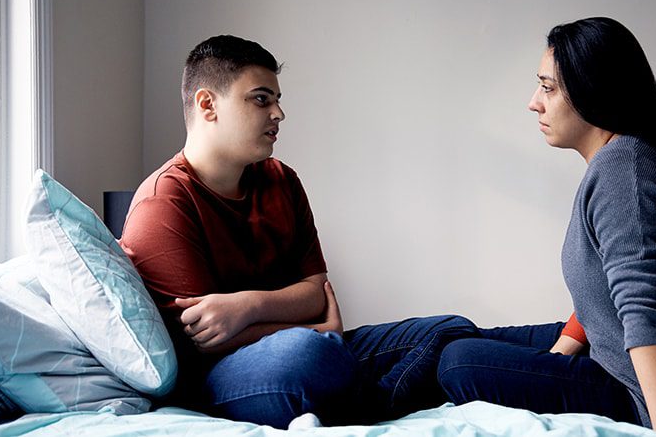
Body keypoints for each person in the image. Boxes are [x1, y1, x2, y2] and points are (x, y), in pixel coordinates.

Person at [119, 34, 478, 429]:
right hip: (223, 376)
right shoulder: (164, 202)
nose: (278, 113)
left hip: (309, 344)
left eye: (276, 99)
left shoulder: (280, 180)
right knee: (308, 354)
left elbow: (314, 292)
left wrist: (247, 307)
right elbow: (206, 341)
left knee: (451, 328)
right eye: (261, 99)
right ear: (208, 105)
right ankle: (370, 395)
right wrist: (316, 329)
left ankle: (371, 397)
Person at [437, 17, 656, 435]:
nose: (534, 102)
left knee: (460, 360)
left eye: (547, 88)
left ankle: (348, 385)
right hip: (621, 356)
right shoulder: (627, 158)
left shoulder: (623, 170)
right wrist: (564, 349)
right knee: (451, 333)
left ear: (592, 89)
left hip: (649, 394)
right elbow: (607, 282)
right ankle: (356, 369)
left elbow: (644, 310)